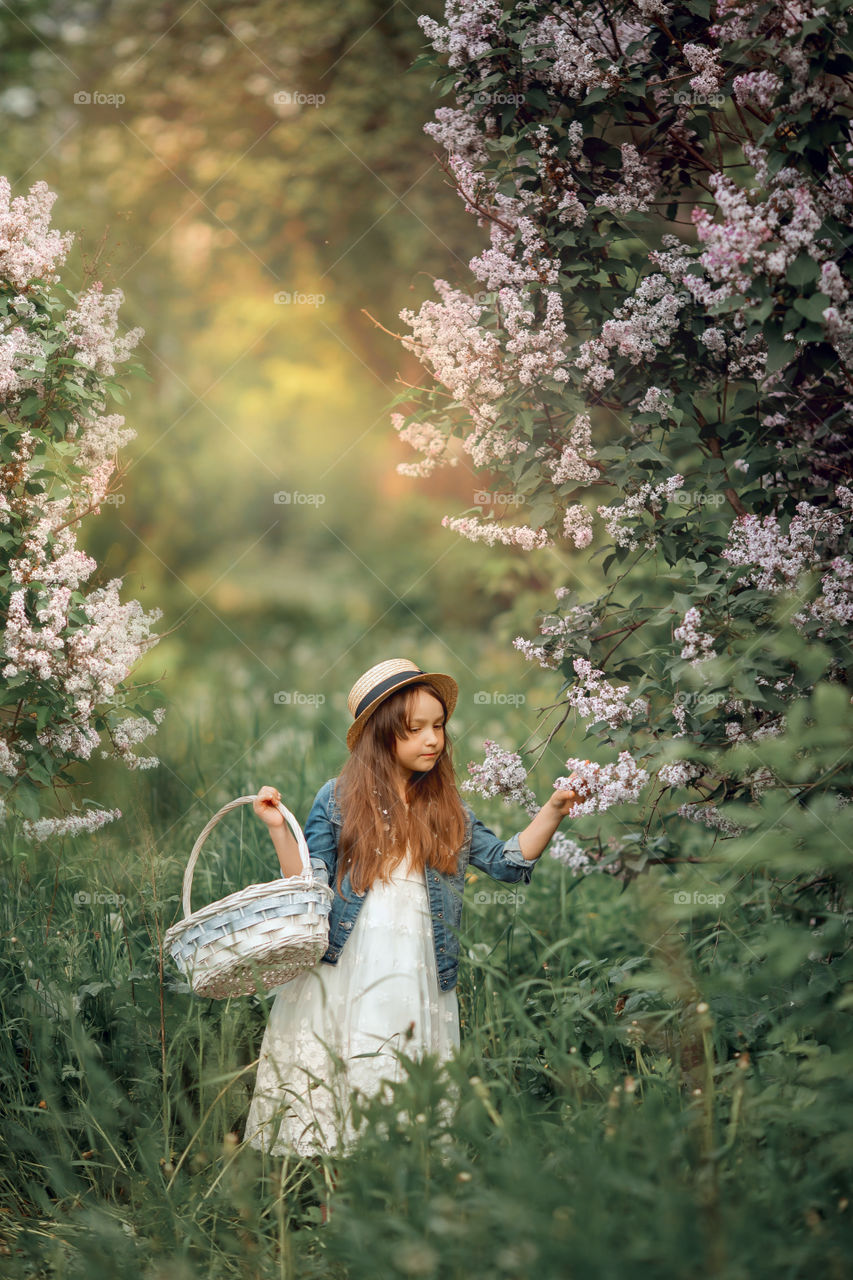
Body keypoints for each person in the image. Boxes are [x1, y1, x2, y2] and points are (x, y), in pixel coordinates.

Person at [242, 657, 585, 1162]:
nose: (433, 740)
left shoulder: (447, 806)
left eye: (439, 726)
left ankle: (399, 1163)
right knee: (348, 1048)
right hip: (350, 958)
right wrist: (277, 827)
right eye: (416, 729)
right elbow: (307, 883)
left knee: (405, 1053)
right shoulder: (338, 799)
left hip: (419, 962)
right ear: (382, 737)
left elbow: (507, 862)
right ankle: (333, 1175)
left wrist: (553, 809)